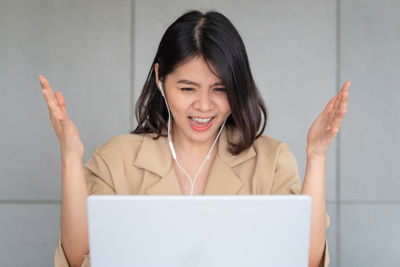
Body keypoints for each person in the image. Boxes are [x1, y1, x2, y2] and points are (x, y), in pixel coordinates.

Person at [39, 10, 349, 267]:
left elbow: (306, 260)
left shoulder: (271, 161)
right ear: (160, 79)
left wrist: (317, 155)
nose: (203, 106)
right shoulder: (115, 159)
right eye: (187, 89)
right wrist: (70, 156)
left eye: (220, 89)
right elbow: (79, 259)